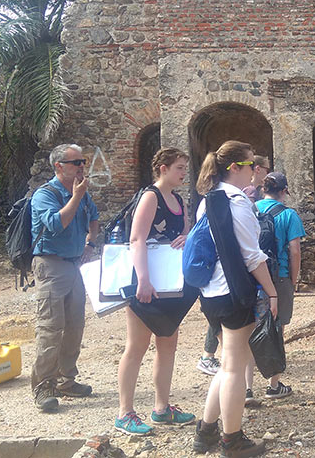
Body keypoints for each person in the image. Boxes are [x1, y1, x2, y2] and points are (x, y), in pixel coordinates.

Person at [192, 141, 278, 457]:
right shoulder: (237, 201)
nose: (256, 171)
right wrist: (271, 292)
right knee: (233, 368)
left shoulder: (207, 199)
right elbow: (252, 256)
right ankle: (232, 440)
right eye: (251, 164)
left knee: (228, 364)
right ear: (235, 168)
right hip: (233, 292)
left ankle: (206, 431)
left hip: (211, 292)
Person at [114, 148, 198, 435]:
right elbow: (136, 239)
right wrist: (143, 281)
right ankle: (125, 412)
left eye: (185, 167)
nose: (184, 173)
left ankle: (162, 408)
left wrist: (188, 237)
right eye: (179, 167)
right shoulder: (150, 196)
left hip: (171, 286)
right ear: (162, 168)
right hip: (145, 283)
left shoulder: (179, 201)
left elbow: (185, 233)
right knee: (136, 346)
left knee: (167, 344)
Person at [29, 143, 100, 412]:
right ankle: (43, 386)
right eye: (75, 162)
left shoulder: (81, 194)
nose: (82, 166)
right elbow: (58, 223)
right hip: (51, 265)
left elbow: (93, 217)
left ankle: (66, 379)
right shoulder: (44, 195)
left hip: (74, 265)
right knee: (50, 328)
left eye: (83, 161)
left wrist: (90, 244)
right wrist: (77, 196)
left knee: (75, 325)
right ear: (59, 166)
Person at [255, 172, 306, 399]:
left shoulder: (250, 209)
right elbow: (295, 251)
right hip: (280, 276)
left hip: (253, 276)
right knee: (277, 329)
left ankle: (246, 387)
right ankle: (274, 384)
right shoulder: (289, 215)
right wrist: (293, 281)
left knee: (249, 329)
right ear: (284, 191)